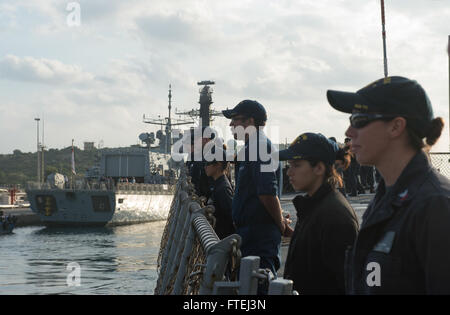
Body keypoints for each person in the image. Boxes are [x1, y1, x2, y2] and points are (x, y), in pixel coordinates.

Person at [327, 76, 450, 294]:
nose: (348, 132)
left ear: (396, 127)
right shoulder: (388, 197)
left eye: (359, 119)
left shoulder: (435, 206)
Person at [222, 99, 292, 294]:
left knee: (259, 287)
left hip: (259, 235)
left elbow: (267, 193)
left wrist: (281, 225)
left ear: (250, 121)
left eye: (235, 120)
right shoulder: (251, 148)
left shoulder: (260, 147)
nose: (230, 125)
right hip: (251, 232)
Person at [279, 133, 359, 294]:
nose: (289, 172)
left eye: (297, 165)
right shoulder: (314, 206)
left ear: (319, 168)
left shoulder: (335, 216)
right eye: (289, 164)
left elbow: (343, 285)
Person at [204, 144, 236, 240]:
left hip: (223, 240)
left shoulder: (223, 189)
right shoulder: (217, 185)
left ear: (218, 164)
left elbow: (231, 218)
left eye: (207, 163)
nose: (205, 167)